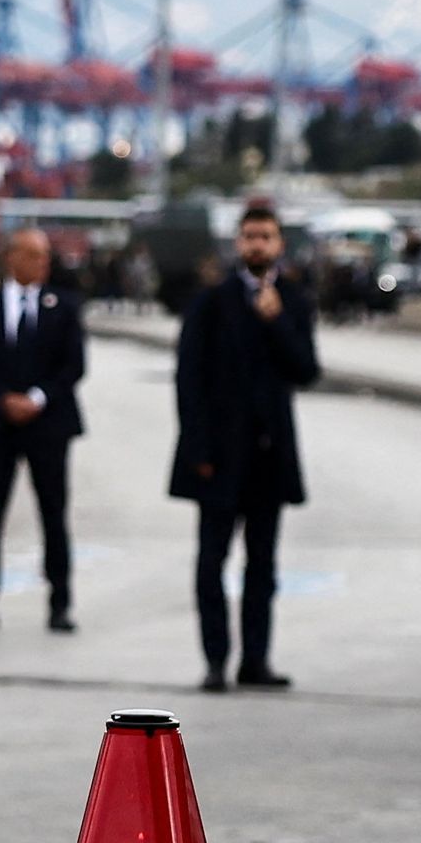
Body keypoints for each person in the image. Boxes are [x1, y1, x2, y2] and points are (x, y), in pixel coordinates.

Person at [171, 197, 319, 693]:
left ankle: (256, 659)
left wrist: (277, 321)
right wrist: (198, 450)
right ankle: (216, 660)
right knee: (211, 562)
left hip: (269, 455)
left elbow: (306, 371)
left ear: (279, 244)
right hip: (218, 455)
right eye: (250, 237)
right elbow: (189, 380)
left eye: (266, 238)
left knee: (262, 565)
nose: (257, 245)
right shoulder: (212, 302)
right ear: (238, 243)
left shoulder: (294, 299)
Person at [0, 227, 84, 634]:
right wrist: (3, 398)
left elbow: (74, 365)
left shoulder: (63, 308)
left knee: (53, 515)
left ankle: (60, 604)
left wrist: (38, 397)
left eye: (45, 255)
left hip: (48, 426)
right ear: (11, 258)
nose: (42, 262)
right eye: (33, 254)